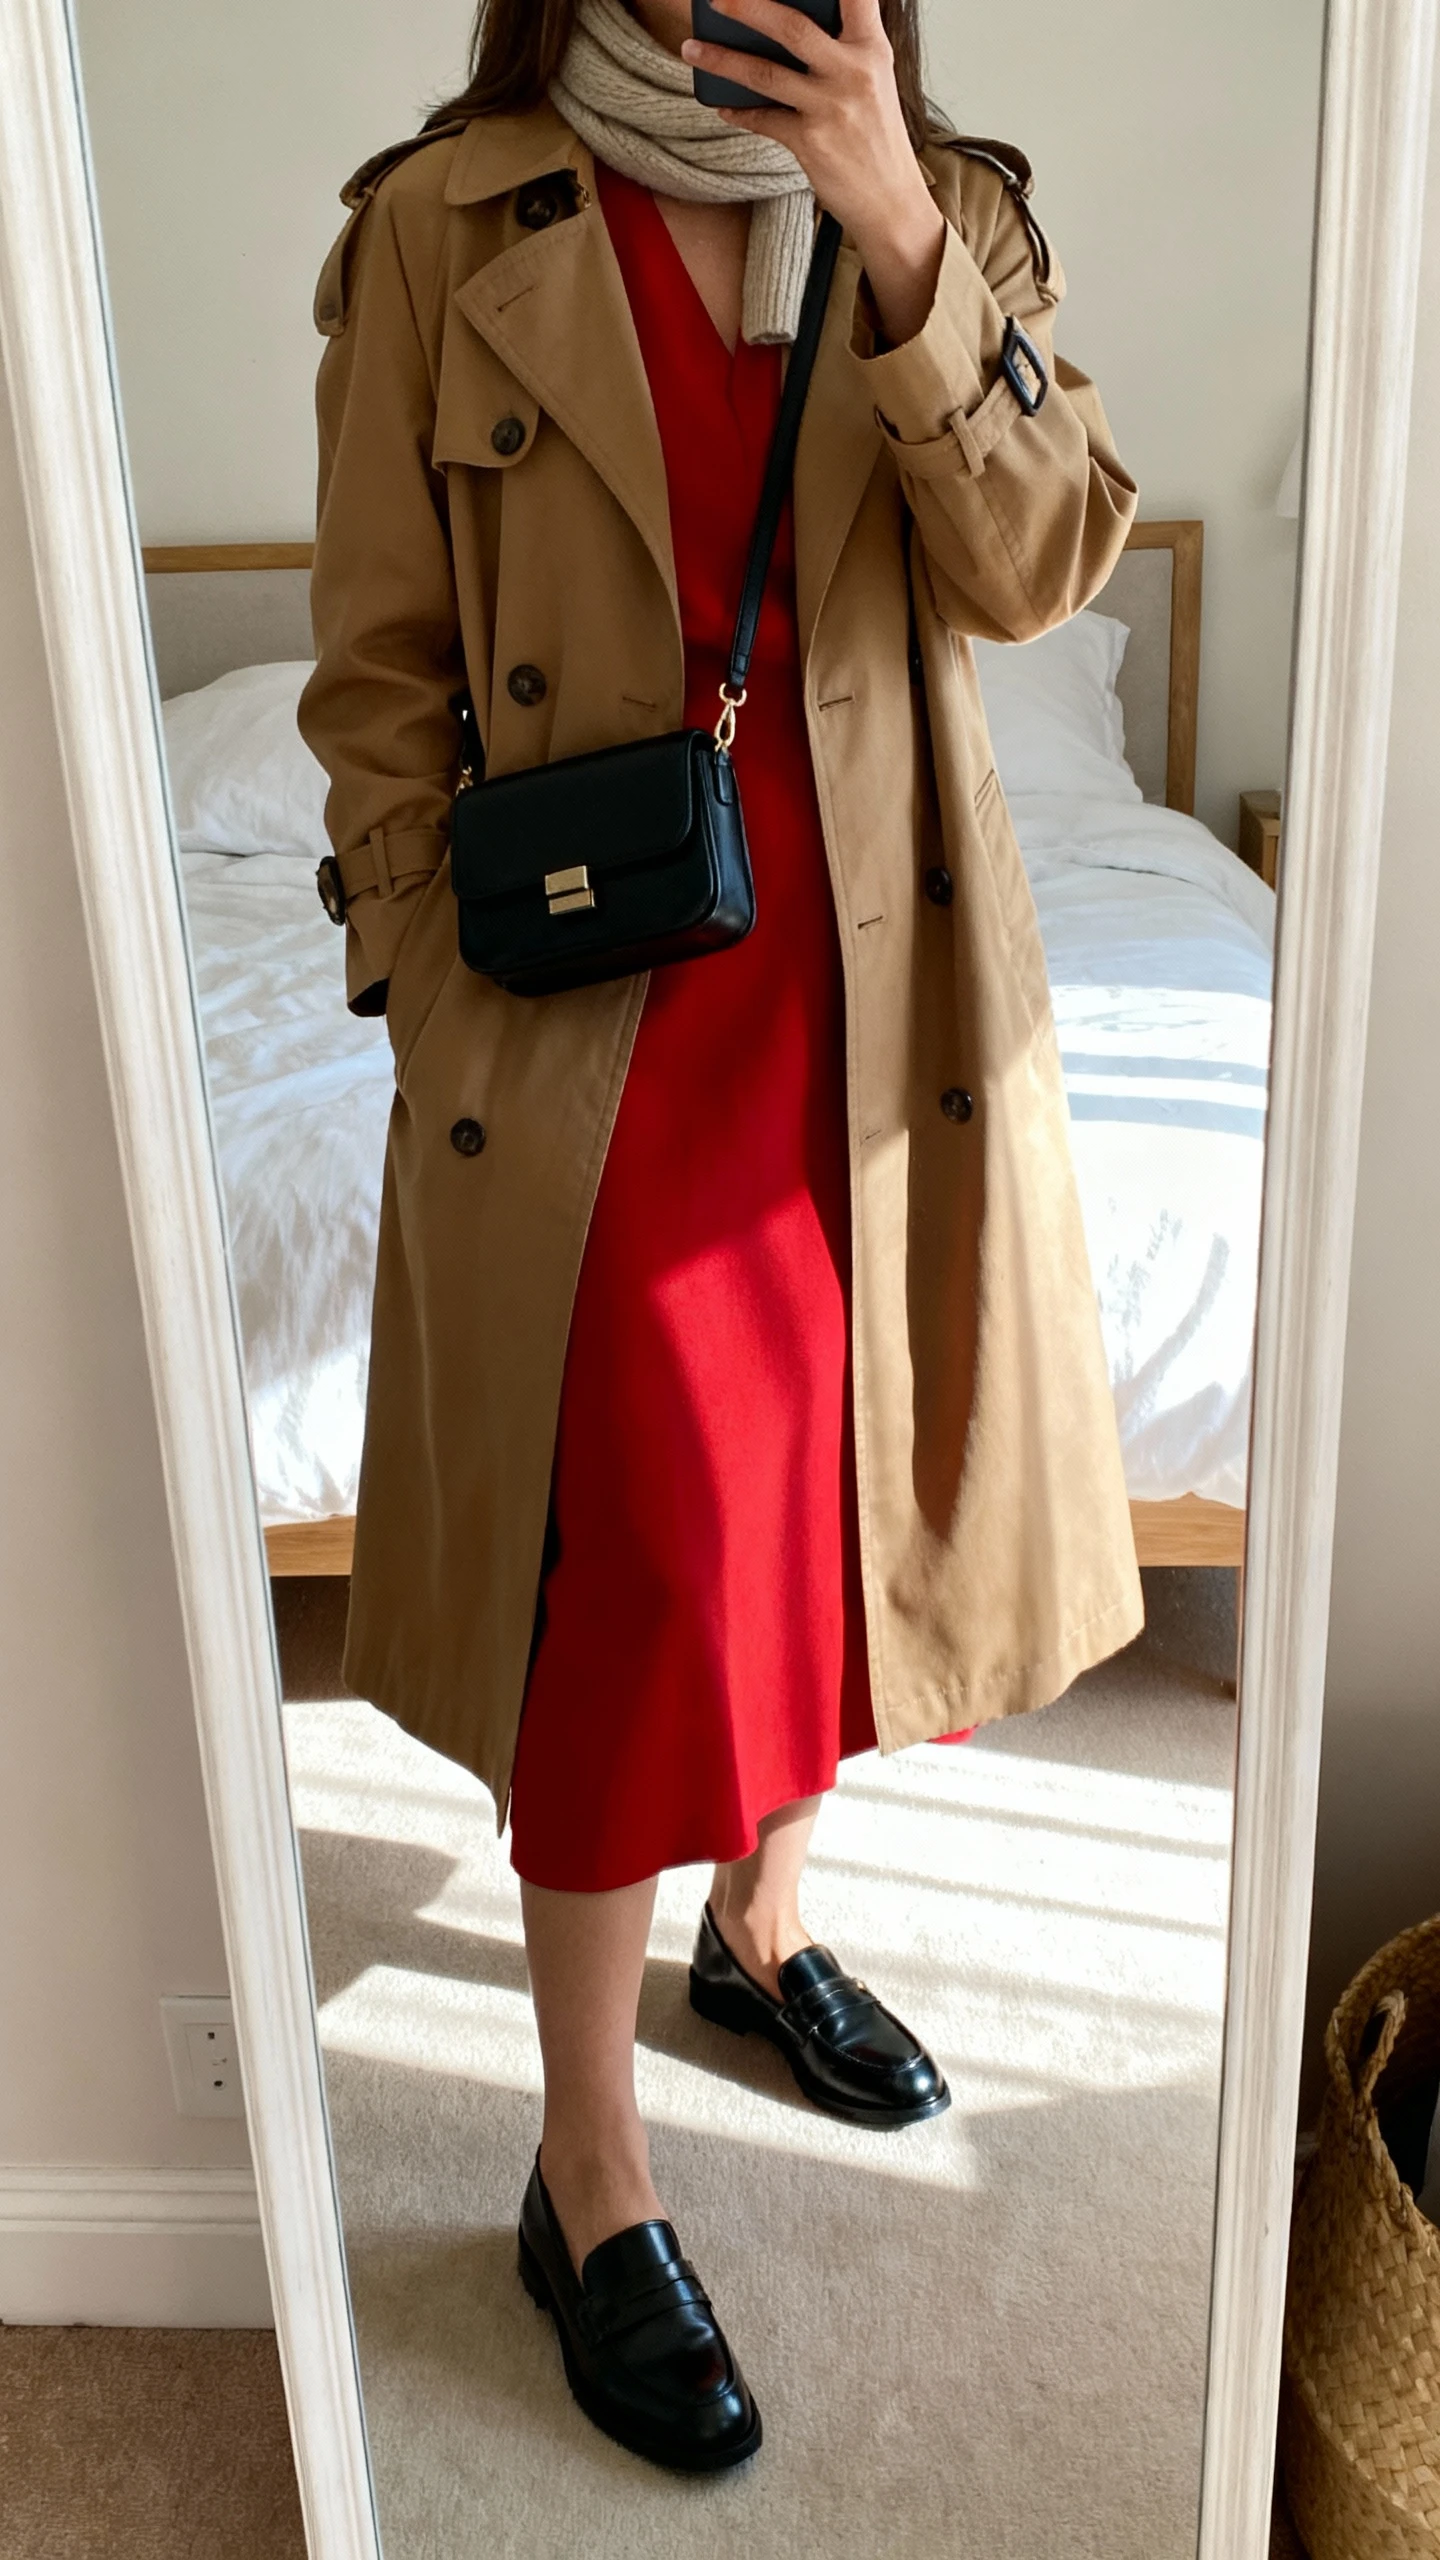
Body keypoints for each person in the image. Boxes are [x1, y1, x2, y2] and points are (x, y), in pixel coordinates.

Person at [300, 0, 1143, 2474]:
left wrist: (890, 220)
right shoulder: (442, 226)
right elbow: (375, 679)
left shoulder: (948, 209)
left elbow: (1044, 560)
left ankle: (758, 1928)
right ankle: (586, 2163)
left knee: (854, 1501)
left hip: (886, 1005)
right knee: (635, 1564)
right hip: (593, 1016)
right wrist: (425, 991)